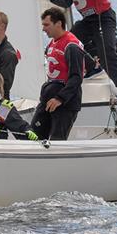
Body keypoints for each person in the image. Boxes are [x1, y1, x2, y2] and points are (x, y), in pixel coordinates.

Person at [40, 0, 117, 98]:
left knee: (106, 50)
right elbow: (66, 3)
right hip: (88, 20)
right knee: (70, 41)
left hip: (103, 17)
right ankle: (91, 67)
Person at [29, 8, 86, 141]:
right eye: (43, 25)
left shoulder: (71, 45)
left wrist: (60, 98)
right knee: (33, 136)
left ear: (59, 24)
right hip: (48, 99)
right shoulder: (53, 42)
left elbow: (77, 77)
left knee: (57, 140)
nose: (43, 29)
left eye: (46, 25)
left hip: (64, 103)